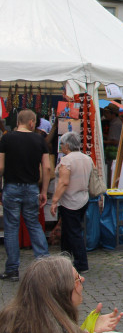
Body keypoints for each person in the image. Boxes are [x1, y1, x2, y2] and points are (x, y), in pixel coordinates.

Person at [0, 255, 123, 333]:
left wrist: (85, 329)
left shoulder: (16, 323)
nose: (82, 279)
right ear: (60, 292)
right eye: (77, 279)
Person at [0, 109, 50, 281]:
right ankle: (44, 266)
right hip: (31, 188)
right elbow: (47, 168)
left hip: (12, 186)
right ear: (31, 122)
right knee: (34, 225)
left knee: (11, 227)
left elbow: (0, 167)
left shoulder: (6, 138)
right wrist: (43, 191)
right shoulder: (39, 140)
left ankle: (12, 269)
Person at [50, 132, 92, 273]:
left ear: (67, 145)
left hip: (69, 201)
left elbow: (63, 182)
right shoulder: (87, 158)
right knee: (69, 232)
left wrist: (55, 200)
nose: (61, 147)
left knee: (73, 232)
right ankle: (65, 259)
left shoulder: (67, 160)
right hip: (83, 198)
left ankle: (81, 263)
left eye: (61, 144)